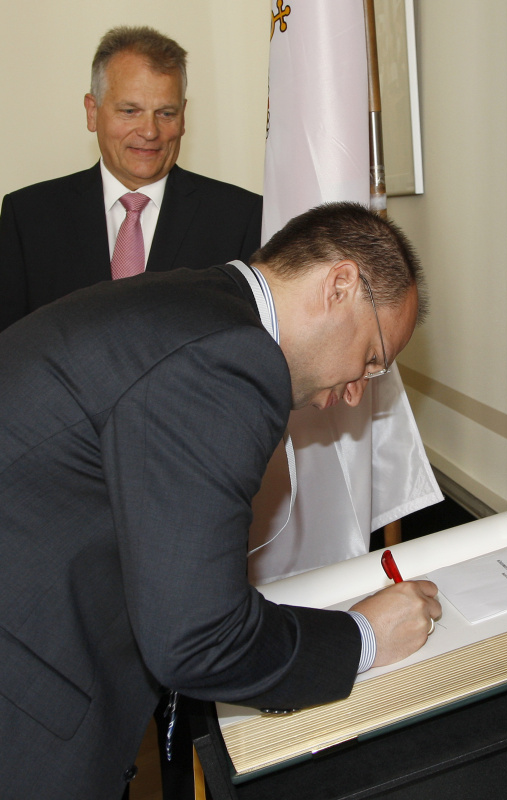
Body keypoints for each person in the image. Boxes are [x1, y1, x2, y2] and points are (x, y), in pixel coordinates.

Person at [0, 202, 441, 799]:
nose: (356, 392)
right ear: (340, 285)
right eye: (370, 358)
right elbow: (197, 639)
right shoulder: (229, 359)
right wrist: (363, 637)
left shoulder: (196, 305)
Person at [0, 25, 262, 333]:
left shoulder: (240, 218)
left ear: (183, 117)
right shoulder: (28, 217)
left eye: (166, 113)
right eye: (130, 111)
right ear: (92, 112)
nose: (150, 131)